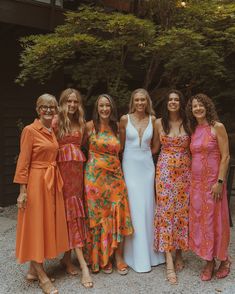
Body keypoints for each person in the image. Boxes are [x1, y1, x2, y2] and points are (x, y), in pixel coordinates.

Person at [14, 94, 69, 294]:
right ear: (38, 109)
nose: (48, 110)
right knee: (35, 226)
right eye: (44, 107)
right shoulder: (30, 130)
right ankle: (42, 276)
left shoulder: (51, 130)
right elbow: (23, 161)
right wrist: (22, 191)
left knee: (45, 224)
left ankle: (32, 271)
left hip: (51, 182)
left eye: (52, 107)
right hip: (36, 182)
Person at [84, 94, 133, 274]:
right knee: (98, 217)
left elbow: (123, 150)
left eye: (107, 106)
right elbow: (80, 146)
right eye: (101, 106)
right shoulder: (89, 127)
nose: (104, 109)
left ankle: (118, 256)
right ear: (96, 108)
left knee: (117, 213)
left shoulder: (117, 127)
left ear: (112, 107)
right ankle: (101, 258)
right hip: (94, 180)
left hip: (115, 178)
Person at [186, 93, 231, 281]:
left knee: (215, 222)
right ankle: (209, 259)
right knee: (200, 221)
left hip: (213, 184)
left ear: (207, 106)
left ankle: (222, 260)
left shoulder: (217, 127)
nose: (197, 108)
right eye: (194, 106)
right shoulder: (194, 130)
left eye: (200, 105)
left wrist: (220, 182)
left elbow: (226, 156)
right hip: (196, 185)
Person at [120, 88, 165, 273]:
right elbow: (121, 145)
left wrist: (143, 154)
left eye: (143, 100)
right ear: (133, 101)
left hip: (146, 167)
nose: (140, 103)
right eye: (137, 100)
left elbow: (155, 146)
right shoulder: (124, 119)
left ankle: (151, 254)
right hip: (130, 165)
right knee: (133, 206)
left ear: (147, 102)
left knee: (147, 206)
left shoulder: (153, 120)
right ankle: (132, 255)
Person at [54, 88, 93, 288]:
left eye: (75, 102)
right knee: (66, 214)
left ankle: (67, 258)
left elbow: (83, 144)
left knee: (75, 214)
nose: (72, 105)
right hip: (61, 173)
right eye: (68, 101)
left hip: (77, 174)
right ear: (62, 103)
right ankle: (82, 265)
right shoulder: (55, 122)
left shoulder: (82, 124)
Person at [153, 90, 191, 284]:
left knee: (181, 212)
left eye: (177, 99)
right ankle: (168, 259)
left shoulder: (188, 123)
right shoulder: (159, 123)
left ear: (180, 103)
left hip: (185, 173)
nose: (173, 102)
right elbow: (152, 149)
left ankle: (178, 253)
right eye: (170, 99)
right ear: (166, 103)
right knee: (166, 212)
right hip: (165, 172)